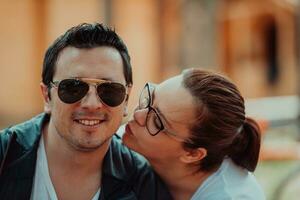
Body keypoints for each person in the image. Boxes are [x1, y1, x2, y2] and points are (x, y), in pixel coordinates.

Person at [0, 23, 172, 200]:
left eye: (109, 90)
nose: (91, 104)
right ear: (47, 97)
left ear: (126, 99)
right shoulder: (4, 155)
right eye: (73, 87)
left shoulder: (144, 185)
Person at [123, 68, 266, 200]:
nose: (138, 114)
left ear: (192, 154)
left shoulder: (230, 196)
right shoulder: (130, 137)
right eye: (150, 97)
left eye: (156, 122)